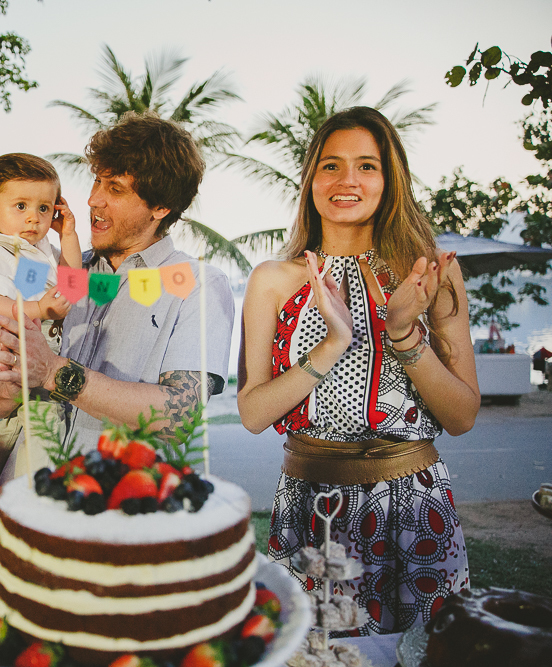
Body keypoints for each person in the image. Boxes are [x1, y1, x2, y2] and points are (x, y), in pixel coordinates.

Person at [237, 107, 479, 635]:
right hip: (309, 506)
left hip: (414, 508)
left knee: (418, 656)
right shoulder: (273, 280)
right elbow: (254, 413)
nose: (347, 180)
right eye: (331, 166)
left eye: (367, 166)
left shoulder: (432, 270)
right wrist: (332, 345)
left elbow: (461, 416)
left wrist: (402, 333)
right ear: (311, 180)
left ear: (390, 180)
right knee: (314, 653)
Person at [0, 112, 236, 540]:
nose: (94, 200)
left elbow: (179, 416)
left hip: (123, 525)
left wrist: (52, 371)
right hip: (25, 514)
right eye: (97, 182)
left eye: (115, 189)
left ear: (160, 207)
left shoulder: (199, 285)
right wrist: (8, 380)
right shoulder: (56, 273)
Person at [0, 153, 81, 517]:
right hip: (8, 339)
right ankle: (26, 497)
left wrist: (70, 235)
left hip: (38, 336)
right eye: (21, 206)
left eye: (45, 208)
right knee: (39, 417)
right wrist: (40, 311)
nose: (34, 217)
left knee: (23, 420)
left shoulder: (36, 251)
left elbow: (72, 285)